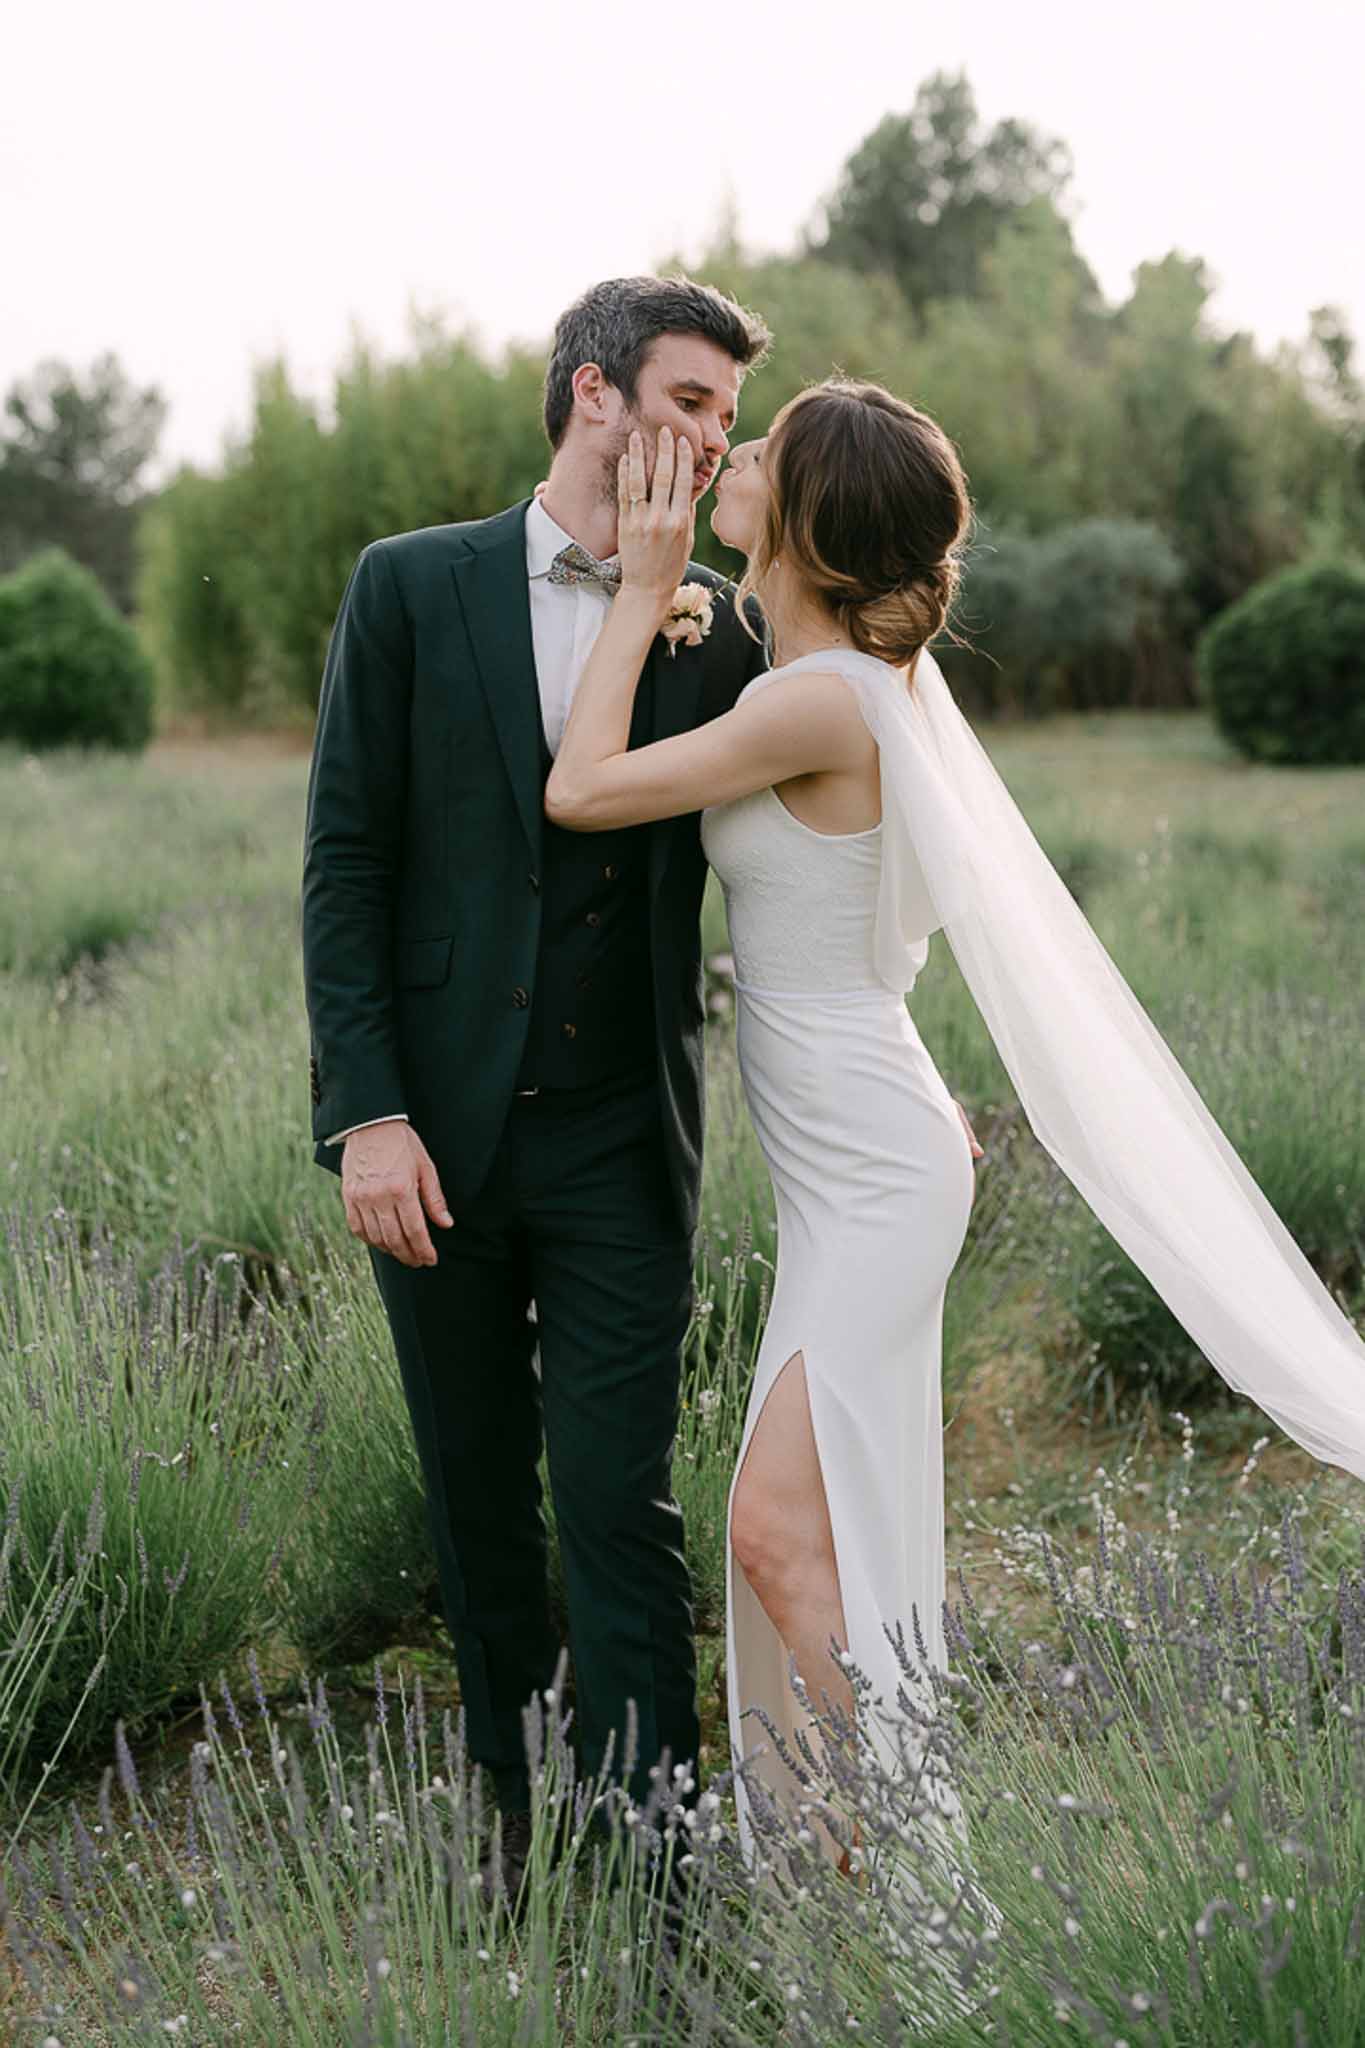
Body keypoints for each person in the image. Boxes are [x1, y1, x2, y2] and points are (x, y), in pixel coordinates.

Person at [545, 377, 1365, 1894]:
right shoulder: (828, 670)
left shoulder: (817, 698)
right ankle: (854, 1871)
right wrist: (671, 607)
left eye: (760, 451)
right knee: (812, 1528)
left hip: (872, 1173)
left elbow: (581, 788)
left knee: (778, 1535)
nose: (727, 455)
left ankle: (917, 1886)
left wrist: (653, 586)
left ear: (804, 517)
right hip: (869, 1160)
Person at [300, 275, 778, 1905]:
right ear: (594, 395)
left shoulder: (725, 627)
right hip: (428, 1134)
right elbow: (345, 865)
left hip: (620, 1137)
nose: (715, 440)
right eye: (693, 402)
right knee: (475, 1499)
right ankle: (511, 1826)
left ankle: (657, 1869)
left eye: (725, 412)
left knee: (618, 1502)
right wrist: (365, 1114)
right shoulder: (408, 586)